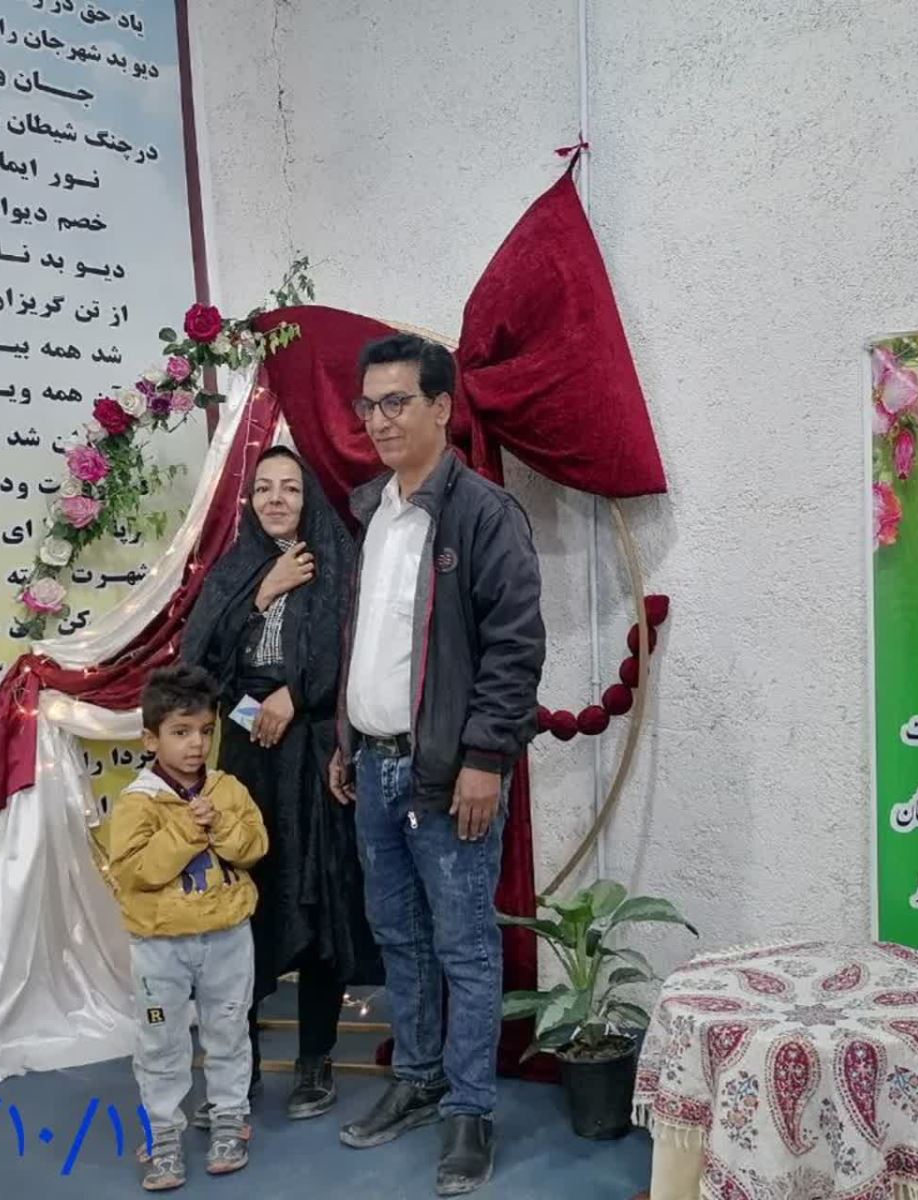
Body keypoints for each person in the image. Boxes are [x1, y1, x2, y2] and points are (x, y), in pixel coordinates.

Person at [329, 334, 545, 1196]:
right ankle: (416, 1081)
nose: (379, 420)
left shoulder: (483, 515)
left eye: (397, 402)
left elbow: (515, 648)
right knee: (398, 938)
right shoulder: (372, 515)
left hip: (450, 777)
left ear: (442, 408)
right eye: (369, 404)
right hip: (373, 767)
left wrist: (485, 759)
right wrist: (346, 741)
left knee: (465, 947)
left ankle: (470, 1110)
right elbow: (368, 647)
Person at [182, 445, 372, 1125]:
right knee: (243, 908)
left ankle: (316, 1059)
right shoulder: (237, 568)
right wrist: (263, 592)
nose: (276, 499)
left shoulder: (337, 561)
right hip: (248, 760)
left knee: (318, 901)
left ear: (308, 497)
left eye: (290, 487)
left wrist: (296, 694)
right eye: (264, 488)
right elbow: (200, 663)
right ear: (250, 500)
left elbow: (357, 650)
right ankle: (242, 1067)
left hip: (314, 755)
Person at [109, 664, 270, 1189]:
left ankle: (229, 1119)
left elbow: (254, 847)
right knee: (160, 1040)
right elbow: (136, 872)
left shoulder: (228, 790)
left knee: (229, 1031)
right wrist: (187, 828)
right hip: (159, 947)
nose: (196, 744)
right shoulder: (137, 802)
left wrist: (218, 823)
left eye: (205, 730)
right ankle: (162, 1133)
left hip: (227, 937)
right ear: (150, 738)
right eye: (180, 732)